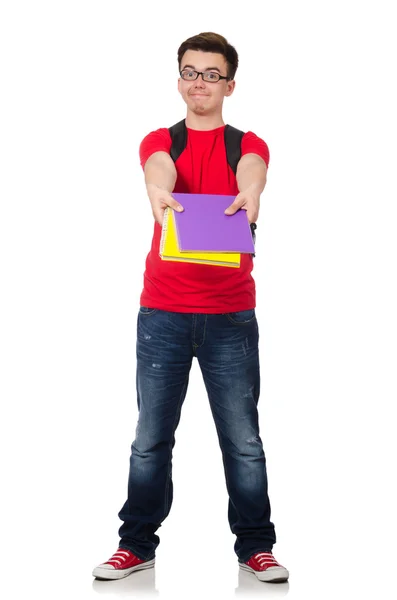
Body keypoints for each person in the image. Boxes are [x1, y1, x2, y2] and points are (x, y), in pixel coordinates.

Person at [93, 32, 289, 584]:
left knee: (244, 440)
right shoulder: (161, 139)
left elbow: (254, 169)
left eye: (209, 73)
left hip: (230, 317)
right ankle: (136, 545)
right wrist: (158, 191)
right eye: (189, 71)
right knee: (150, 437)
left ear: (229, 84)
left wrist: (254, 192)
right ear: (179, 78)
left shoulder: (247, 143)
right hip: (163, 314)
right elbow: (158, 168)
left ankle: (256, 546)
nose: (197, 82)